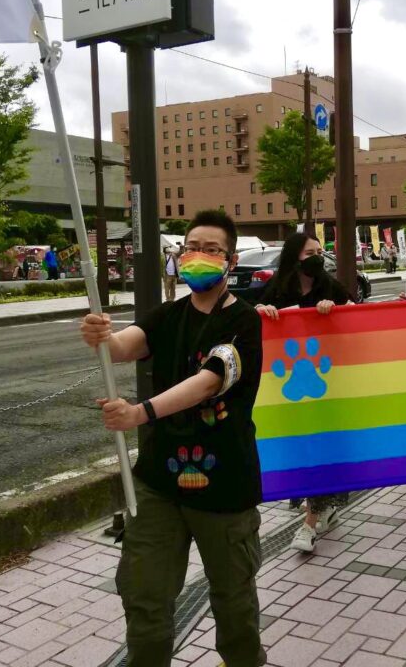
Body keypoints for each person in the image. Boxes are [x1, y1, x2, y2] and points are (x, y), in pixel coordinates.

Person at [78, 210, 266, 667]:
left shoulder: (244, 321)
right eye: (190, 247)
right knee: (144, 593)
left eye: (211, 249)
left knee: (232, 598)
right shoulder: (168, 315)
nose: (197, 256)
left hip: (225, 486)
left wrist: (140, 412)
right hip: (158, 482)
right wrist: (100, 336)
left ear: (230, 259)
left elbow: (210, 380)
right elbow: (126, 347)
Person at [255, 232, 354, 553]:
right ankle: (323, 506)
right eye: (309, 252)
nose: (317, 257)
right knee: (302, 446)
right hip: (290, 389)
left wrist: (337, 310)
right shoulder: (279, 288)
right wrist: (263, 311)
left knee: (321, 445)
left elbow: (358, 316)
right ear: (294, 257)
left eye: (319, 251)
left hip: (328, 383)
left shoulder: (330, 287)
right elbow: (252, 318)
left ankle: (309, 525)